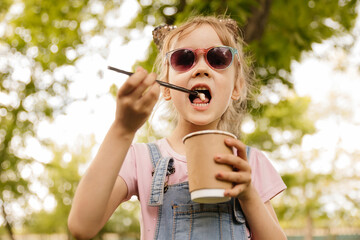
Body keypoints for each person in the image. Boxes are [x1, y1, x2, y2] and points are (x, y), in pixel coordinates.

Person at [68, 16, 287, 240]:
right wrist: (122, 130)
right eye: (184, 59)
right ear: (166, 88)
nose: (201, 69)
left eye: (218, 58)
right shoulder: (141, 160)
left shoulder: (250, 163)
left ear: (237, 86)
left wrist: (249, 195)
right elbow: (81, 226)